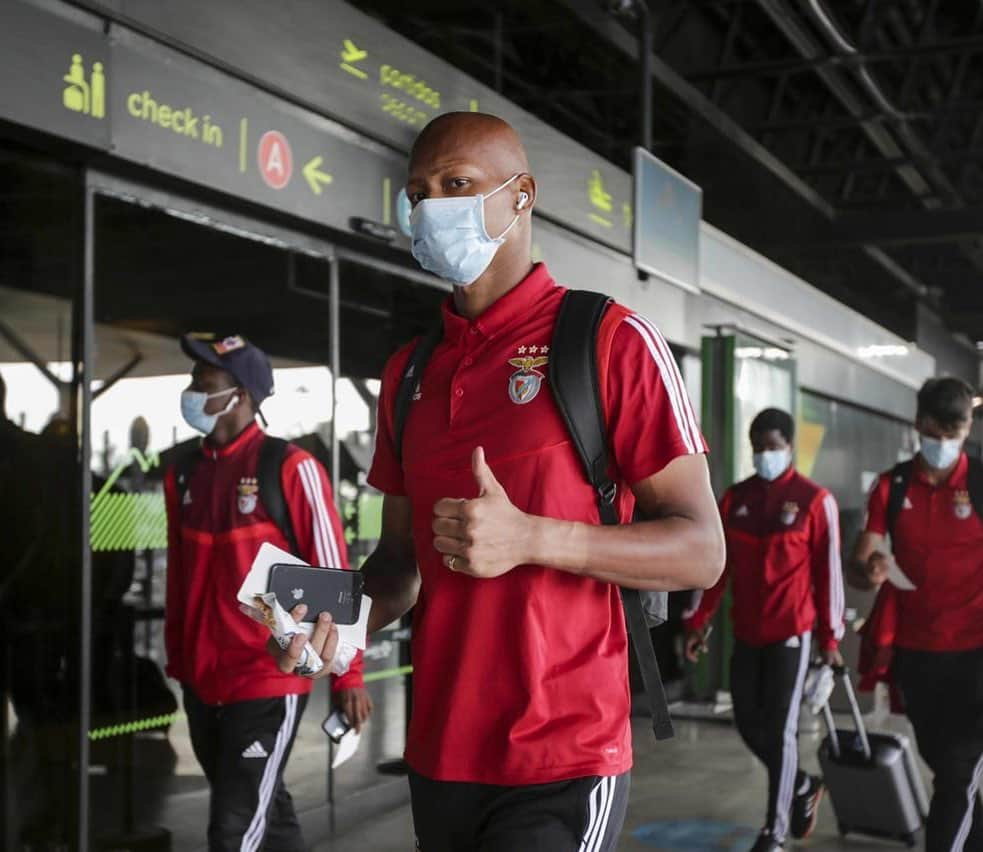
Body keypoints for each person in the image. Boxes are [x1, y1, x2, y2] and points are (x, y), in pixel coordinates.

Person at [273, 112, 725, 852]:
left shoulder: (607, 341)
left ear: (521, 196)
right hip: (441, 756)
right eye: (418, 192)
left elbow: (701, 550)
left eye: (457, 185)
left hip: (563, 754)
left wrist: (534, 538)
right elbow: (397, 567)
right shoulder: (409, 373)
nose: (431, 206)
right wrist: (324, 622)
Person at [164, 333, 369, 852]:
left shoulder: (290, 468)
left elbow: (334, 575)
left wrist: (349, 674)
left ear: (242, 393)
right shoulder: (182, 471)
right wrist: (179, 659)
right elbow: (179, 575)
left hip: (266, 679)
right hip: (200, 679)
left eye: (205, 379)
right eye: (194, 377)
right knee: (265, 815)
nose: (194, 387)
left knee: (233, 831)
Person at [684, 407, 845, 852]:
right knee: (747, 723)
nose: (764, 455)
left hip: (792, 635)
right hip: (747, 633)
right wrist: (699, 622)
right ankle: (803, 784)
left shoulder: (816, 501)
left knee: (780, 730)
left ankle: (774, 832)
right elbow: (717, 570)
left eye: (772, 447)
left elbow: (827, 573)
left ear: (790, 447)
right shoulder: (736, 500)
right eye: (758, 448)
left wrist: (830, 638)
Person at [850, 377, 983, 852]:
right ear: (919, 424)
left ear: (968, 426)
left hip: (975, 653)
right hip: (918, 651)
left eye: (956, 429)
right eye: (937, 429)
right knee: (942, 761)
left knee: (957, 769)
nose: (945, 440)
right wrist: (872, 568)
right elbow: (860, 564)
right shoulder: (893, 484)